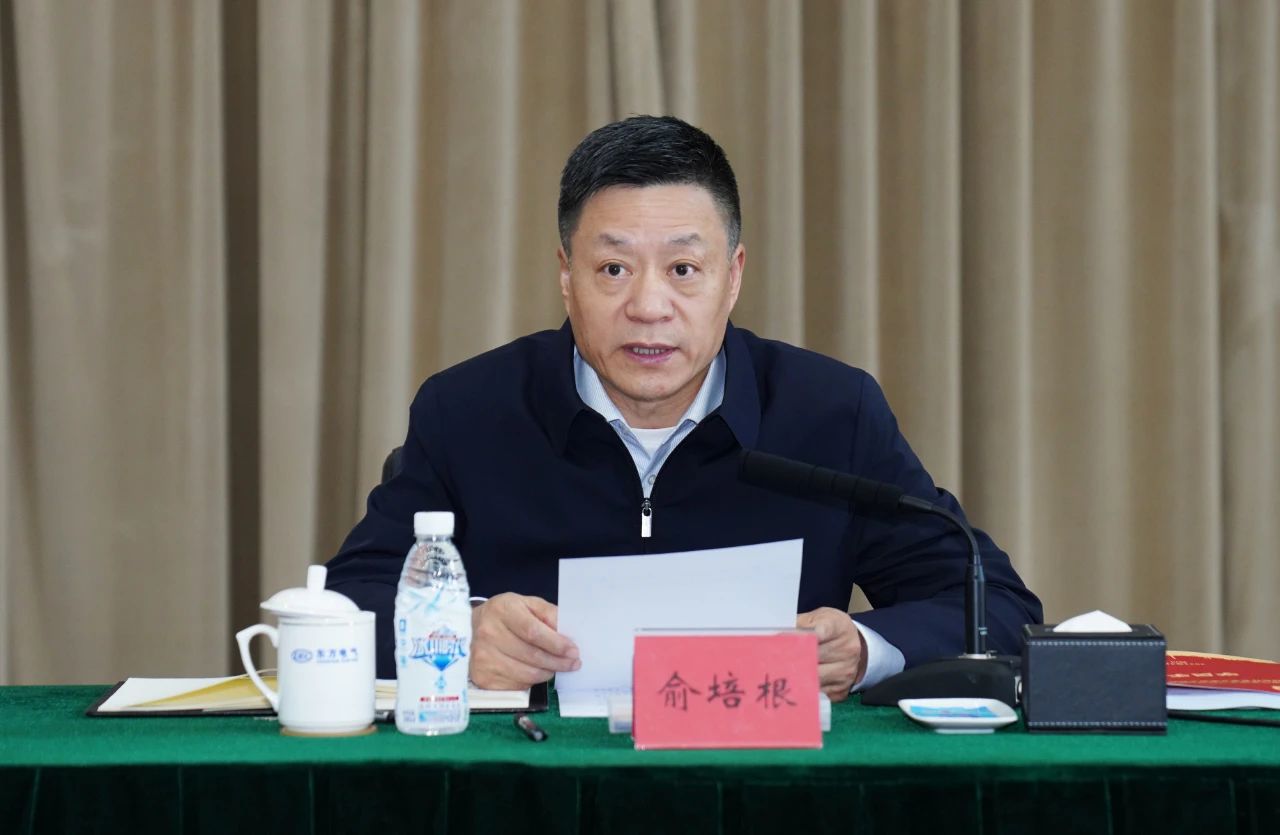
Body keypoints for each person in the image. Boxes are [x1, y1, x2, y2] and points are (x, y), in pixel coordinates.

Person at [326, 115, 1042, 701]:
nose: (648, 306)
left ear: (732, 277)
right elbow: (350, 604)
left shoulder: (828, 412)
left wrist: (863, 649)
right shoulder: (469, 411)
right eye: (613, 268)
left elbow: (998, 606)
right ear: (567, 277)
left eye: (683, 269)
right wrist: (461, 631)